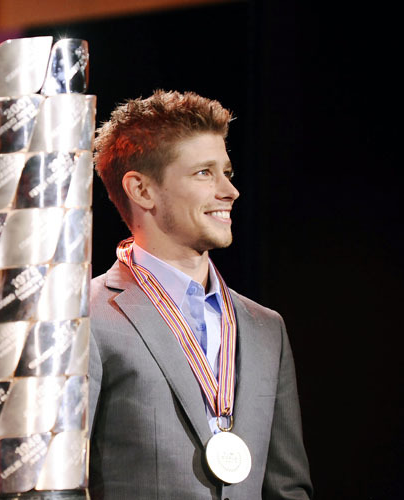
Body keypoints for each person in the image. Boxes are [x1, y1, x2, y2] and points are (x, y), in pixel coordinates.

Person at [88, 90, 312, 499]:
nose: (230, 191)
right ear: (141, 190)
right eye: (204, 173)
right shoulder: (85, 316)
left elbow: (287, 488)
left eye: (227, 172)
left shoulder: (266, 327)